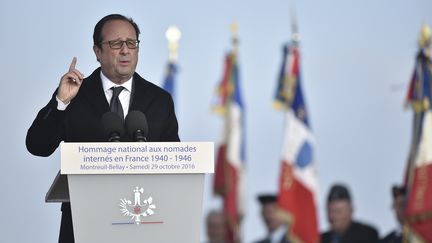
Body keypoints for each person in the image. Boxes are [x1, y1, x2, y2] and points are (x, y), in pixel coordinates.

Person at [26, 14, 179, 243]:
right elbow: (38, 145)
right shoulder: (75, 95)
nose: (126, 50)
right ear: (97, 52)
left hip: (142, 223)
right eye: (116, 44)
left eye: (132, 43)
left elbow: (174, 165)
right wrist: (60, 102)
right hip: (83, 225)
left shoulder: (159, 100)